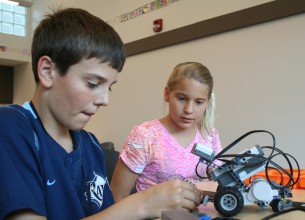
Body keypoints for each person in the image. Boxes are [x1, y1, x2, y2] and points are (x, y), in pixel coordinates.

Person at [0, 8, 201, 220]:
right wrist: (141, 205)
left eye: (109, 87)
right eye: (93, 84)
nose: (105, 100)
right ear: (48, 71)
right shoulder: (10, 128)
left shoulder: (91, 145)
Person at [111, 62, 222, 202]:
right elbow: (117, 196)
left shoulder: (210, 135)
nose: (189, 109)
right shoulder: (145, 136)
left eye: (199, 102)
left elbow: (221, 182)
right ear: (167, 94)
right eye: (181, 99)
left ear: (207, 102)